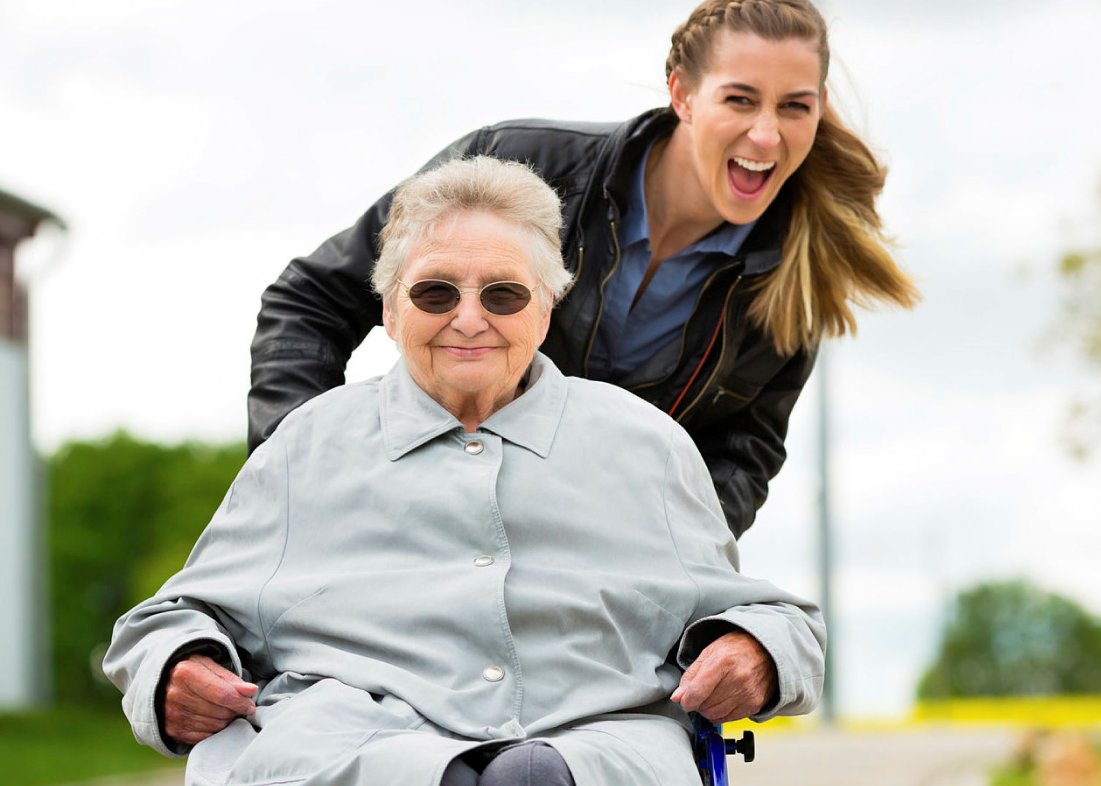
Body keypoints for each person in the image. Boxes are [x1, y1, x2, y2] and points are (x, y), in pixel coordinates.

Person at [104, 157, 824, 786]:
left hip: (589, 741)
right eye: (435, 293)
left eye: (503, 294)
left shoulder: (645, 444)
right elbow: (170, 619)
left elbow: (773, 618)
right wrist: (178, 665)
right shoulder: (308, 445)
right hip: (359, 745)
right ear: (389, 310)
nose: (469, 319)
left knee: (538, 776)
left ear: (546, 309)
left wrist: (754, 652)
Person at [249, 0, 920, 539]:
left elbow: (740, 457)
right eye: (740, 100)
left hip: (576, 573)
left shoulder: (793, 281)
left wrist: (658, 565)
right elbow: (310, 301)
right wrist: (306, 479)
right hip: (414, 524)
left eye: (794, 106)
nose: (767, 135)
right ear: (682, 94)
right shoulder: (515, 163)